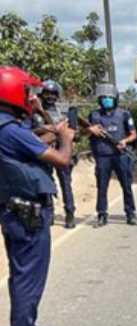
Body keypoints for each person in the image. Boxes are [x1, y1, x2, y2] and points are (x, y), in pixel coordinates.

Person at [0, 66, 76, 326]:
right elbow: (61, 160)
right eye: (27, 92)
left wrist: (45, 127)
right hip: (26, 212)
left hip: (15, 210)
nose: (31, 97)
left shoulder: (8, 127)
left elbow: (29, 145)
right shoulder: (10, 130)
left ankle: (26, 325)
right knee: (28, 273)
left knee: (23, 272)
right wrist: (65, 137)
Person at [86, 83, 137, 227]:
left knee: (126, 185)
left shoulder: (124, 114)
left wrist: (124, 141)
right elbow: (83, 132)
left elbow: (134, 134)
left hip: (120, 155)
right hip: (102, 156)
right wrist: (91, 130)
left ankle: (130, 213)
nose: (106, 100)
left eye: (109, 97)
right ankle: (102, 215)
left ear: (115, 98)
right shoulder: (94, 115)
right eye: (104, 97)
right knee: (102, 187)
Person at [33, 80, 77, 228]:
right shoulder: (34, 111)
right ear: (41, 94)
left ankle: (70, 213)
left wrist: (63, 133)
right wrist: (48, 128)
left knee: (66, 184)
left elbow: (74, 133)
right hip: (45, 151)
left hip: (62, 151)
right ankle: (49, 214)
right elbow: (30, 132)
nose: (50, 96)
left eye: (53, 93)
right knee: (47, 183)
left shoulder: (65, 111)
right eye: (47, 93)